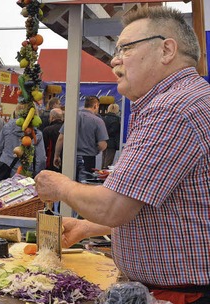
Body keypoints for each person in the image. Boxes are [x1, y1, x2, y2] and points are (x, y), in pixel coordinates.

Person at [35, 6, 210, 304]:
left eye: (125, 48)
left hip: (186, 294)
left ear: (167, 49)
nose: (115, 61)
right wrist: (87, 226)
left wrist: (61, 186)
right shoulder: (184, 100)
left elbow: (114, 207)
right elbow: (157, 204)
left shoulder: (172, 108)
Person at [53, 96, 108, 181]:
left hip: (70, 157)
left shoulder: (72, 118)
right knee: (84, 186)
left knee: (68, 184)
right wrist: (95, 150)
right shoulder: (98, 121)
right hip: (88, 158)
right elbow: (102, 144)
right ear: (95, 106)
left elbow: (61, 138)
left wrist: (56, 155)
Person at [0, 104, 46, 178]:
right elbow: (41, 159)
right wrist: (36, 175)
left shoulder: (7, 127)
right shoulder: (37, 134)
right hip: (25, 174)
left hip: (4, 170)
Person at [101, 103, 121, 169]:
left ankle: (101, 173)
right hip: (112, 143)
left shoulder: (103, 118)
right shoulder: (117, 120)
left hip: (104, 141)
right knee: (108, 162)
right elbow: (114, 131)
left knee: (104, 160)